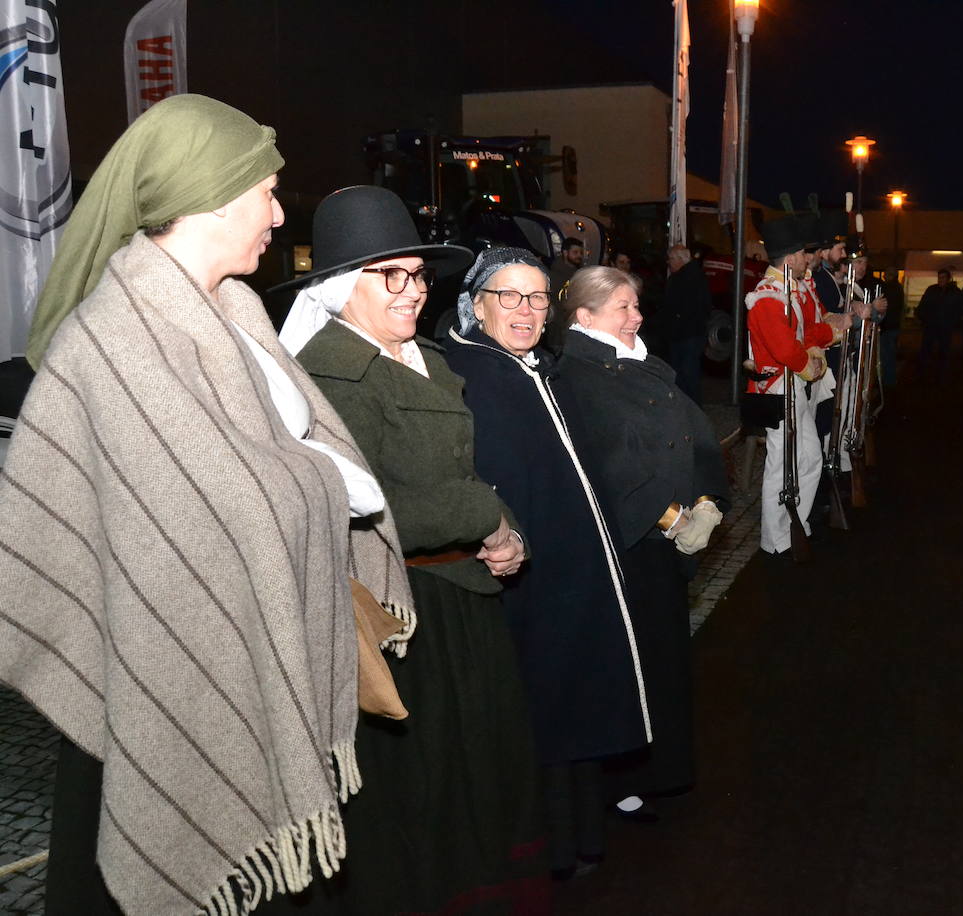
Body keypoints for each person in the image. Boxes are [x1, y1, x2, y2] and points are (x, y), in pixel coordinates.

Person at [0, 95, 406, 915]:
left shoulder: (234, 313)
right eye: (267, 192)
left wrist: (311, 475)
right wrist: (329, 482)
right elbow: (232, 514)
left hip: (250, 646)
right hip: (170, 675)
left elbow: (263, 474)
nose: (277, 212)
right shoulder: (117, 340)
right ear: (213, 196)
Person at [276, 186, 549, 912]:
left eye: (419, 275)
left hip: (464, 606)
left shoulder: (421, 357)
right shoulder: (325, 377)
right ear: (340, 286)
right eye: (389, 275)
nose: (413, 291)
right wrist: (483, 516)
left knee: (477, 784)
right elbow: (363, 505)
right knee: (420, 799)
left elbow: (465, 474)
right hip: (401, 618)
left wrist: (507, 531)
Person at [442, 247, 653, 878]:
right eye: (509, 296)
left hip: (572, 577)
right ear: (476, 304)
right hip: (526, 585)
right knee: (543, 715)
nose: (527, 310)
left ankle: (581, 839)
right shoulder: (470, 373)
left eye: (537, 297)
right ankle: (552, 851)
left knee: (573, 707)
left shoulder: (535, 368)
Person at [556, 266, 729, 826]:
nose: (637, 316)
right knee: (633, 665)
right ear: (584, 318)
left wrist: (707, 496)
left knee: (664, 660)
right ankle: (624, 782)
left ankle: (659, 770)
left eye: (635, 305)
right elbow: (605, 462)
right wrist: (671, 516)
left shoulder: (640, 360)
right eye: (623, 308)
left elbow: (694, 430)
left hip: (664, 544)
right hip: (631, 544)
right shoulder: (579, 375)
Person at [745, 216, 848, 556]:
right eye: (802, 255)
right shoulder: (767, 296)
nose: (808, 260)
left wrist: (831, 333)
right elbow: (785, 348)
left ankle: (794, 525)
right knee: (781, 464)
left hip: (792, 387)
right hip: (777, 388)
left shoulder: (785, 292)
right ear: (789, 259)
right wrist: (812, 366)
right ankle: (775, 538)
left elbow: (803, 334)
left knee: (808, 458)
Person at [661, 243, 712, 403]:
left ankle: (690, 408)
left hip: (685, 334)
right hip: (689, 333)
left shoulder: (684, 278)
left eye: (670, 259)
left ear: (679, 259)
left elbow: (681, 306)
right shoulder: (695, 275)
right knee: (686, 373)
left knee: (685, 374)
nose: (668, 262)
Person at [916, 267, 960, 382]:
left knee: (943, 351)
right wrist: (922, 318)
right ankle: (922, 374)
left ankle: (941, 375)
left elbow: (959, 309)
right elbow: (923, 305)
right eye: (939, 277)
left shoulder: (955, 292)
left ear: (948, 279)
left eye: (943, 277)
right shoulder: (932, 290)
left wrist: (953, 322)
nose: (940, 279)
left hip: (945, 327)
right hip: (931, 325)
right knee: (926, 350)